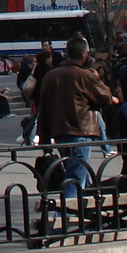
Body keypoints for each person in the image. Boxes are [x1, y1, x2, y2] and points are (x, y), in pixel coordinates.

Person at [33, 36, 116, 199]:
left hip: (60, 132)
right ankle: (65, 211)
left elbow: (43, 109)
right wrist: (97, 79)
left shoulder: (51, 75)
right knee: (76, 175)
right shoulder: (85, 76)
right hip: (81, 131)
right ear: (84, 55)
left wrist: (44, 137)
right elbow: (106, 98)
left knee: (76, 171)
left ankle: (84, 209)